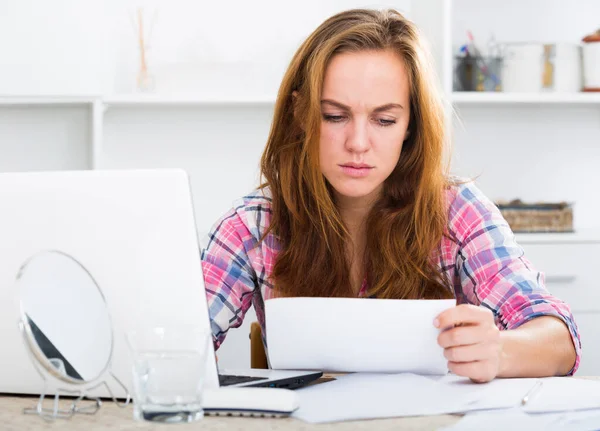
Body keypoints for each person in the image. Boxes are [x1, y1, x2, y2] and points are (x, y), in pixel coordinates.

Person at [201, 8, 580, 383]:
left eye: (384, 120)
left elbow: (559, 339)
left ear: (411, 124)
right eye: (334, 115)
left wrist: (499, 349)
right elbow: (174, 343)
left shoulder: (456, 210)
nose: (358, 144)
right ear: (300, 112)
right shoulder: (254, 225)